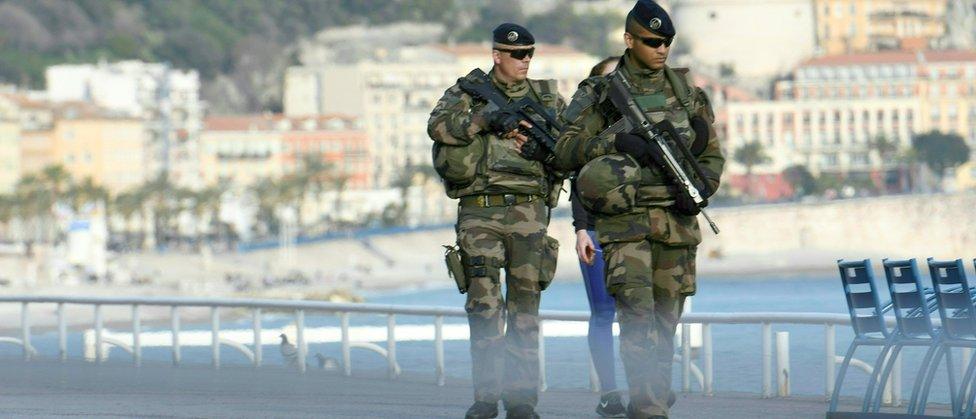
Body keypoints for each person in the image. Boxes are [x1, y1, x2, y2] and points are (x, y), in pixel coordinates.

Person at [554, 1, 725, 417]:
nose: (661, 48)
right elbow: (563, 151)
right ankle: (649, 408)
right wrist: (615, 142)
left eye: (666, 41)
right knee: (636, 321)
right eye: (651, 41)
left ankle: (648, 401)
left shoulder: (688, 95)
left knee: (665, 325)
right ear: (629, 40)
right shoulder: (600, 94)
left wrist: (701, 190)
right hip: (625, 224)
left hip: (677, 223)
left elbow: (713, 156)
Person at [427, 22, 566, 419]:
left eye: (530, 54)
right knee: (484, 308)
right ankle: (486, 397)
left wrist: (539, 149)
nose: (525, 61)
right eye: (518, 54)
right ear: (496, 55)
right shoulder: (468, 92)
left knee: (525, 310)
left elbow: (570, 149)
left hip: (529, 210)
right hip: (479, 209)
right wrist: (483, 121)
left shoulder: (547, 99)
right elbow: (436, 126)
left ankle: (521, 399)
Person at [571, 56, 628, 419]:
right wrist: (580, 230)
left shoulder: (643, 125)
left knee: (644, 311)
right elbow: (576, 183)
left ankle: (648, 385)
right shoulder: (586, 129)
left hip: (638, 227)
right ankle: (609, 392)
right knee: (604, 313)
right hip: (596, 229)